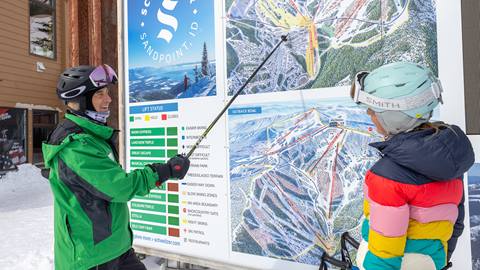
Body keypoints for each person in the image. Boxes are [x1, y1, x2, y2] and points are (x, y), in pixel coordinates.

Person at [42, 64, 190, 270]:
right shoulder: (77, 146)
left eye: (107, 93)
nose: (108, 99)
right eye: (100, 94)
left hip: (114, 247)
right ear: (79, 101)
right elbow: (119, 187)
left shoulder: (91, 136)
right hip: (91, 257)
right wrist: (163, 171)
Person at [350, 62, 474, 270]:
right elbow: (456, 223)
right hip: (433, 261)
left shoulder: (387, 175)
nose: (369, 115)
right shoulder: (448, 160)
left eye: (372, 110)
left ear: (393, 116)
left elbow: (385, 253)